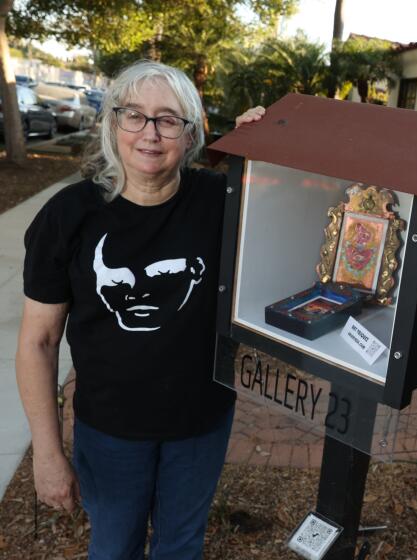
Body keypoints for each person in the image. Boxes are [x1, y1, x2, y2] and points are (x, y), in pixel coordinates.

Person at [16, 60, 265, 560]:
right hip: (109, 432)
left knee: (179, 547)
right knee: (113, 549)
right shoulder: (69, 216)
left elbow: (297, 209)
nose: (150, 133)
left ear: (190, 133)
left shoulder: (225, 202)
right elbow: (38, 341)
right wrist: (46, 452)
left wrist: (267, 149)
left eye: (168, 119)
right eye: (135, 115)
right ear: (113, 123)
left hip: (200, 426)